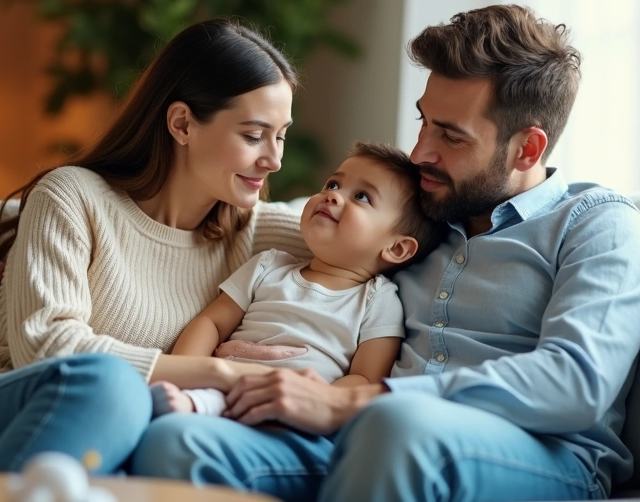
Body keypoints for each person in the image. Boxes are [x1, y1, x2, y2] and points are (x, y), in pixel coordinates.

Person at [0, 6, 640, 502]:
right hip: (354, 438)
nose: (420, 150)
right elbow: (298, 225)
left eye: (451, 136)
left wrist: (362, 400)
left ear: (528, 145)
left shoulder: (597, 224)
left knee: (397, 428)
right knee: (175, 440)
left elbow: (575, 383)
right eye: (424, 122)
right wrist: (22, 252)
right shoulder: (423, 218)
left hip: (536, 452)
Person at [0, 18, 312, 473]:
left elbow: (374, 241)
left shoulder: (251, 233)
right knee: (113, 386)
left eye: (281, 135)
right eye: (253, 135)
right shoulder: (72, 196)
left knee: (159, 437)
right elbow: (47, 347)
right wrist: (218, 371)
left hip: (93, 437)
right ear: (182, 124)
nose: (274, 159)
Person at [152, 142, 446, 417]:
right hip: (223, 386)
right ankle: (191, 405)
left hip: (296, 410)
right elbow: (211, 323)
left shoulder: (378, 299)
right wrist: (187, 372)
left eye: (361, 196)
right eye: (333, 184)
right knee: (193, 404)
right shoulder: (268, 265)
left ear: (396, 248)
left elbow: (365, 378)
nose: (333, 195)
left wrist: (313, 402)